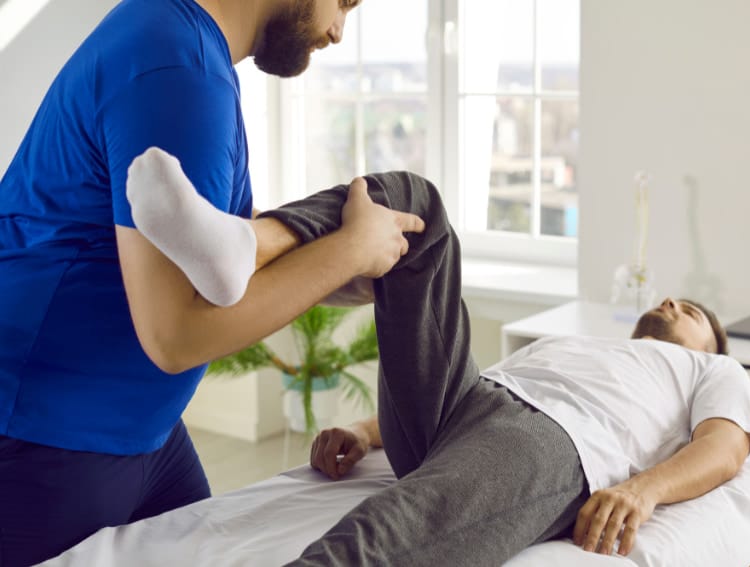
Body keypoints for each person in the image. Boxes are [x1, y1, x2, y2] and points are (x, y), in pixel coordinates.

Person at [120, 154, 750, 564]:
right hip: (468, 402)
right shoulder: (577, 343)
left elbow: (726, 448)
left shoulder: (713, 372)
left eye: (695, 314)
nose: (676, 302)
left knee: (394, 528)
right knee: (414, 204)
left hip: (555, 441)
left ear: (709, 346)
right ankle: (245, 245)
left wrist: (640, 492)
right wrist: (366, 432)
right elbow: (487, 379)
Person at [0, 1, 431, 565]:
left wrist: (338, 266)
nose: (337, 32)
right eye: (344, 2)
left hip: (141, 429)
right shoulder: (179, 71)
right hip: (52, 437)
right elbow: (175, 335)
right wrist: (346, 252)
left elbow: (199, 272)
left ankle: (263, 241)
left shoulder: (178, 40)